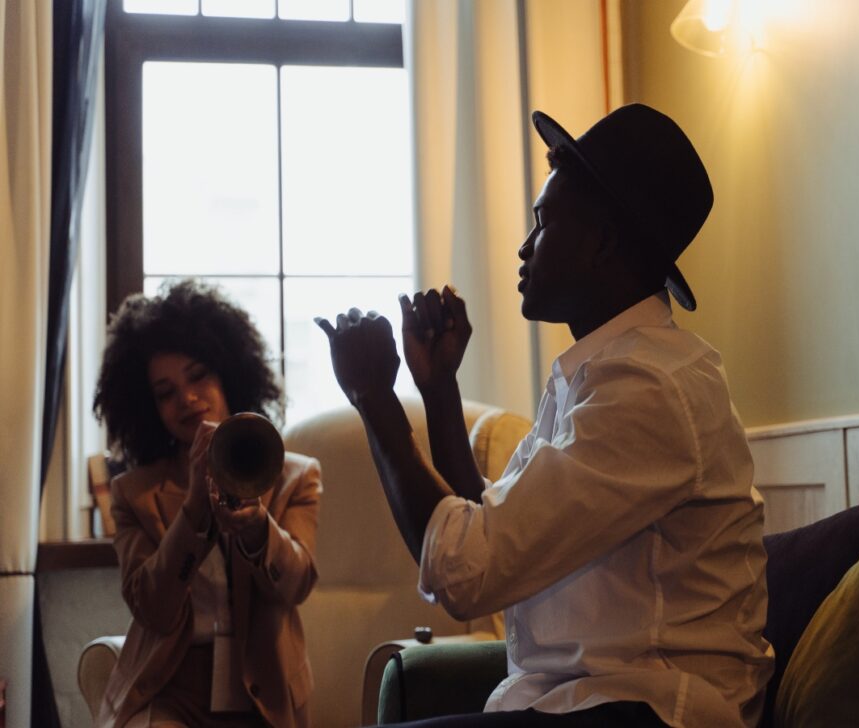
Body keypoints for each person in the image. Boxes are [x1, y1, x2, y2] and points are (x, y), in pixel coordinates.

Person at [317, 103, 773, 727]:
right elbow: (490, 530)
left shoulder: (649, 388)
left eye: (543, 223)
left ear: (606, 242)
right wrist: (438, 388)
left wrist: (374, 398)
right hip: (581, 701)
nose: (525, 247)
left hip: (650, 710)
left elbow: (467, 577)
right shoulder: (599, 373)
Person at [93, 279, 322, 728]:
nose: (187, 399)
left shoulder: (296, 475)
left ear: (229, 373)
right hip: (167, 687)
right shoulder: (132, 494)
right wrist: (194, 507)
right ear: (148, 407)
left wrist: (258, 526)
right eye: (166, 392)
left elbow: (295, 585)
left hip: (265, 688)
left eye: (198, 376)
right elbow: (153, 610)